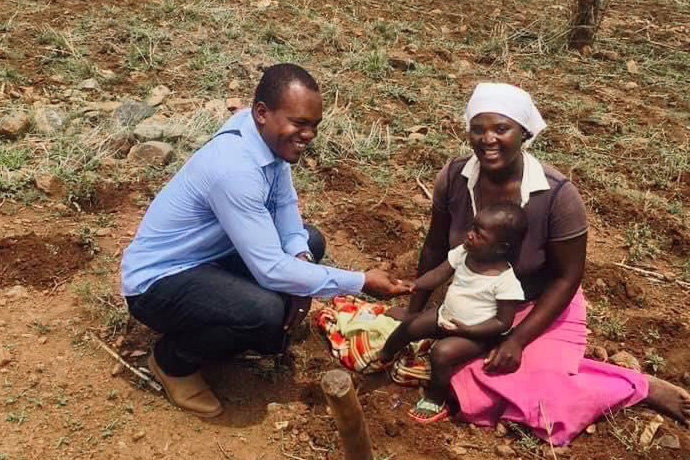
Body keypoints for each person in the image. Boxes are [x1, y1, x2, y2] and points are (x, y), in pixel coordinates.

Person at [404, 82, 690, 444]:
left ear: (523, 133)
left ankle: (637, 386)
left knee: (538, 405)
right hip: (478, 303)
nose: (487, 139)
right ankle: (556, 369)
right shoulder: (455, 178)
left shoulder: (556, 195)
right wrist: (415, 312)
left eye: (500, 129)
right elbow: (433, 247)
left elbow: (568, 278)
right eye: (478, 129)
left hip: (540, 308)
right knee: (457, 382)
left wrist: (518, 341)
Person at [120, 63, 410, 418]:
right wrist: (361, 281)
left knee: (310, 242)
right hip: (158, 283)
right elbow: (271, 269)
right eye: (300, 123)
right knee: (263, 313)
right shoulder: (234, 171)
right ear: (262, 112)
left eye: (314, 126)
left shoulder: (266, 137)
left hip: (210, 257)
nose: (308, 135)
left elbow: (287, 213)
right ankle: (172, 361)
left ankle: (238, 325)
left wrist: (301, 265)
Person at [378, 202, 528, 423]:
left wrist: (470, 329)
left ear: (500, 248)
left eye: (479, 234)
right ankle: (384, 356)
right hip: (443, 316)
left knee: (441, 353)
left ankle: (436, 398)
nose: (469, 235)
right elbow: (439, 275)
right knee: (410, 326)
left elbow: (503, 322)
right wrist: (414, 285)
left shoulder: (506, 281)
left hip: (474, 335)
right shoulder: (464, 253)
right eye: (472, 227)